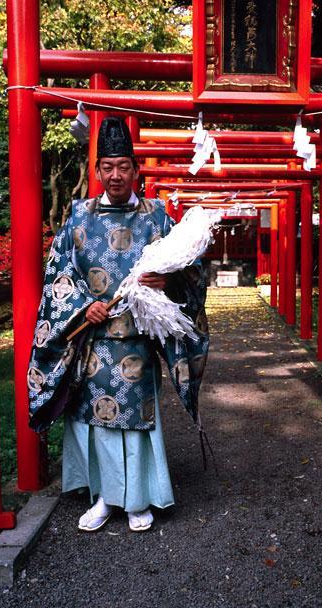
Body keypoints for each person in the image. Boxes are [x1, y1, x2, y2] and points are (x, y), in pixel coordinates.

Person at [26, 116, 209, 533]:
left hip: (137, 342)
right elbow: (58, 273)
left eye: (123, 166)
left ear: (135, 169)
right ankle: (105, 498)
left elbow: (193, 270)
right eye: (107, 167)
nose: (115, 175)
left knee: (138, 422)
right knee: (96, 423)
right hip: (93, 343)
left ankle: (139, 499)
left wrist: (170, 281)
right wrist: (81, 307)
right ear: (98, 172)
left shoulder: (157, 217)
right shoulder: (78, 217)